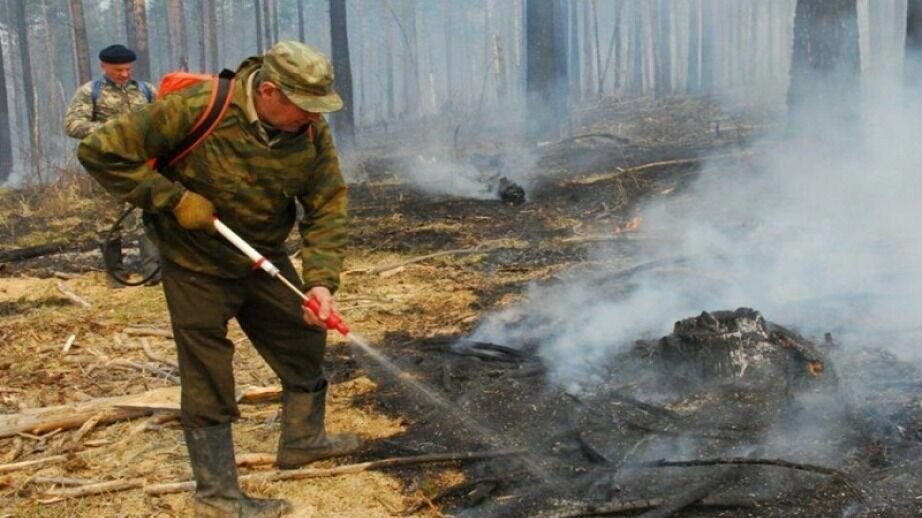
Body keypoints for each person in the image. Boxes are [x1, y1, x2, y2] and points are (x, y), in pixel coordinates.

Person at [77, 41, 360, 517]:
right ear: (269, 91)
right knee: (207, 373)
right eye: (304, 109)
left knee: (302, 338)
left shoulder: (309, 131)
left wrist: (321, 281)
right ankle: (218, 497)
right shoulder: (194, 109)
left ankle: (303, 441)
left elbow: (327, 203)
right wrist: (170, 199)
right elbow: (99, 151)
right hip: (195, 263)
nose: (312, 119)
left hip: (262, 255)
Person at [64, 44, 161, 288]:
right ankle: (115, 275)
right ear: (104, 67)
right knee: (108, 219)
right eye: (118, 70)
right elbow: (73, 125)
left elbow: (163, 118)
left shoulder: (146, 91)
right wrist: (112, 129)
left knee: (147, 215)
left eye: (128, 69)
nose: (124, 74)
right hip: (106, 165)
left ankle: (153, 273)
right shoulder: (90, 92)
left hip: (142, 163)